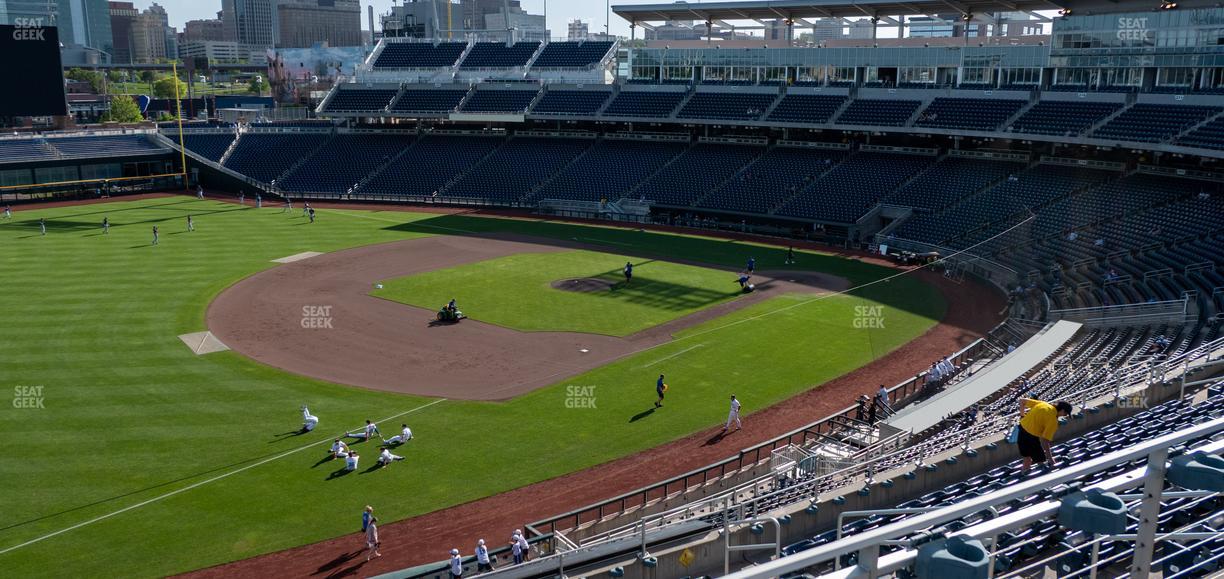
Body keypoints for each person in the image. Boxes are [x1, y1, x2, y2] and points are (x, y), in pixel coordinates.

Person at [1017, 399, 1073, 474]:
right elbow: (1045, 441)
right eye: (1065, 414)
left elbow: (1022, 401)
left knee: (1027, 456)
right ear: (1062, 410)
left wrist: (1022, 415)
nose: (1064, 415)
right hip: (1032, 436)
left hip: (1021, 429)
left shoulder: (1043, 404)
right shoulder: (1053, 420)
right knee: (1041, 462)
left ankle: (1023, 476)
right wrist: (1050, 459)